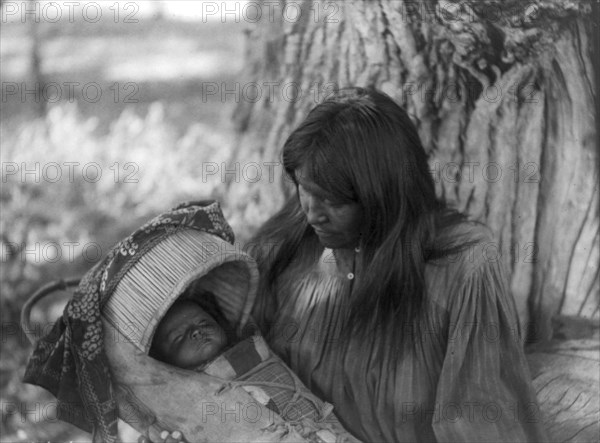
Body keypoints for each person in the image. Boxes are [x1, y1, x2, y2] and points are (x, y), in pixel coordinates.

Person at [244, 87, 548, 442]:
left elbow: (479, 418)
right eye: (302, 188)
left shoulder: (461, 265)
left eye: (331, 199)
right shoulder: (289, 249)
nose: (312, 214)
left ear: (381, 196)